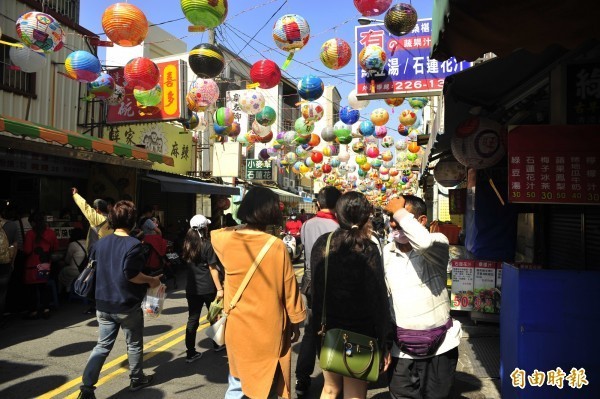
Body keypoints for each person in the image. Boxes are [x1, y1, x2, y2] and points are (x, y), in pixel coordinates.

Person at [211, 187, 306, 399]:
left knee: (237, 381)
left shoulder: (225, 240)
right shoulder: (276, 246)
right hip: (267, 327)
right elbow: (289, 290)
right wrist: (295, 321)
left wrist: (241, 225)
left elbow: (215, 233)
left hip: (237, 325)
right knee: (266, 383)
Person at [77, 200, 162, 399]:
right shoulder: (134, 245)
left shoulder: (100, 243)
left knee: (102, 346)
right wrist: (151, 280)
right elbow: (131, 274)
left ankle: (87, 388)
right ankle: (136, 378)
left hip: (103, 303)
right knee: (133, 344)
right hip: (126, 304)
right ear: (132, 221)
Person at [311, 192, 391, 399]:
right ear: (366, 216)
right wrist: (384, 339)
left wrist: (316, 330)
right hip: (361, 331)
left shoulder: (323, 243)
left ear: (338, 214)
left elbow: (316, 289)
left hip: (329, 328)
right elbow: (378, 298)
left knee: (329, 389)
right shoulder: (368, 247)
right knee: (354, 393)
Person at [383, 195, 462, 399]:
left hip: (441, 347)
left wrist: (400, 213)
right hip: (400, 351)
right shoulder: (387, 252)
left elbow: (424, 243)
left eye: (399, 217)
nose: (394, 223)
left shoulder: (437, 242)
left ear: (421, 221)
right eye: (391, 217)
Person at [295, 186, 342, 396]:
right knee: (332, 331)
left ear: (318, 204)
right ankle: (332, 379)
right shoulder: (338, 226)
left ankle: (302, 378)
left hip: (309, 284)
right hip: (332, 286)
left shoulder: (306, 225)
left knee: (310, 331)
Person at [182, 214, 224, 362]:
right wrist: (219, 288)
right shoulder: (207, 245)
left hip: (192, 288)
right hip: (208, 287)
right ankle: (218, 344)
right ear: (204, 228)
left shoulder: (187, 244)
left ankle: (190, 352)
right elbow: (213, 269)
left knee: (192, 319)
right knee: (215, 316)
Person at [23, 211, 59, 320]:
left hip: (31, 266)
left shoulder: (30, 234)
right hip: (44, 264)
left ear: (33, 222)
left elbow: (27, 250)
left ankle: (33, 312)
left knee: (32, 290)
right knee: (43, 287)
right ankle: (46, 309)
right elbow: (55, 248)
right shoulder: (50, 233)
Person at [0, 203, 18, 320]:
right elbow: (15, 246)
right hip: (5, 264)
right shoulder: (12, 225)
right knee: (2, 293)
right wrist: (12, 263)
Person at [58, 228, 86, 294]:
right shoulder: (88, 243)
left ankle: (62, 293)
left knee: (61, 272)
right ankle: (69, 288)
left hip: (76, 271)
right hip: (86, 271)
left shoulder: (73, 244)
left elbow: (67, 260)